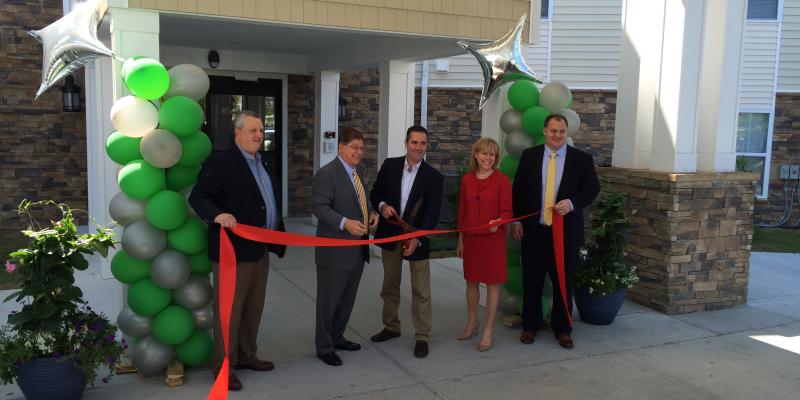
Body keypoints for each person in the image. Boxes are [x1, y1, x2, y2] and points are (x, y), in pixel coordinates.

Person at [189, 110, 286, 392]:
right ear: (238, 133)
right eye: (252, 130)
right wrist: (217, 215)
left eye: (261, 130)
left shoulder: (263, 162)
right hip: (233, 252)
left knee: (252, 309)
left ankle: (246, 356)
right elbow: (199, 196)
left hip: (260, 250)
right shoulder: (221, 161)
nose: (258, 135)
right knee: (229, 312)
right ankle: (223, 366)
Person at [511, 114, 600, 349]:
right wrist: (516, 221)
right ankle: (530, 326)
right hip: (534, 232)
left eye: (562, 131)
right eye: (553, 131)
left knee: (563, 282)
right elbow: (518, 191)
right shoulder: (530, 157)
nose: (557, 135)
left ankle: (563, 328)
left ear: (567, 132)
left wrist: (571, 203)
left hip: (566, 234)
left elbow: (592, 189)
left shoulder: (581, 159)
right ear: (544, 131)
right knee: (532, 281)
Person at [369, 125, 443, 358]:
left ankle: (422, 336)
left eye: (423, 143)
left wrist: (417, 238)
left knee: (421, 290)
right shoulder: (390, 165)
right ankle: (391, 326)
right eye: (415, 142)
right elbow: (375, 193)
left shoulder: (434, 177)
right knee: (390, 285)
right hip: (390, 235)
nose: (419, 147)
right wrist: (382, 207)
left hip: (416, 239)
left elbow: (432, 214)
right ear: (406, 143)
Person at [312, 127, 378, 367]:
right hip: (334, 250)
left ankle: (337, 337)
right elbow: (319, 207)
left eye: (361, 148)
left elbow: (362, 200)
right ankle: (324, 346)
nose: (358, 152)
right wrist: (344, 223)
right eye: (354, 147)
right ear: (341, 147)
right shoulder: (327, 173)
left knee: (346, 300)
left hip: (357, 250)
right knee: (329, 301)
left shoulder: (357, 171)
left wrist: (371, 212)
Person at [455, 138, 512, 352]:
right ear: (476, 155)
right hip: (471, 239)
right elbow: (462, 212)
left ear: (495, 158)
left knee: (492, 285)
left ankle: (488, 329)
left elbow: (507, 211)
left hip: (492, 241)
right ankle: (472, 322)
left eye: (492, 154)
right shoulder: (467, 180)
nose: (488, 158)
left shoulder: (502, 180)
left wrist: (498, 223)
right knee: (471, 283)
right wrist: (461, 239)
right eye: (484, 153)